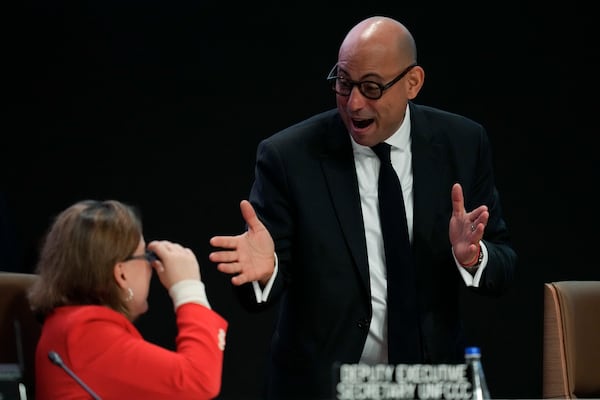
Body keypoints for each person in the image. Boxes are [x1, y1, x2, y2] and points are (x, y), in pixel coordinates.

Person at [209, 15, 517, 400]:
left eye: (371, 87)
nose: (354, 103)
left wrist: (473, 258)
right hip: (324, 387)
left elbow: (504, 265)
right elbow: (259, 293)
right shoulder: (289, 157)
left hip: (428, 385)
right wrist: (266, 271)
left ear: (412, 83)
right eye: (343, 83)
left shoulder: (462, 143)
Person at [28, 199, 228, 400]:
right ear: (121, 274)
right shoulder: (86, 335)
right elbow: (199, 379)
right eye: (146, 257)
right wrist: (188, 288)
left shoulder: (70, 325)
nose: (152, 267)